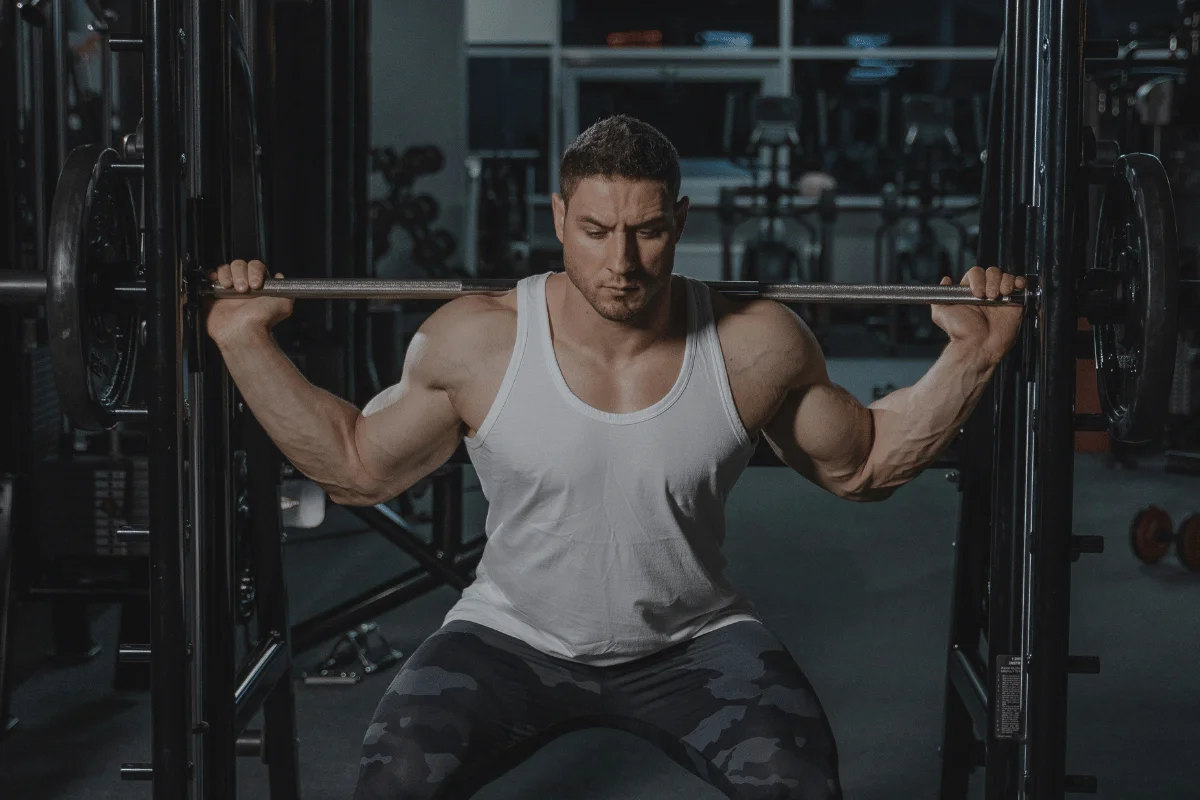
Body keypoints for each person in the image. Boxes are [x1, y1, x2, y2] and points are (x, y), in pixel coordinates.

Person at [206, 115, 1025, 800]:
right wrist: (243, 341)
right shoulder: (479, 342)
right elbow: (357, 467)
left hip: (695, 642)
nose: (621, 262)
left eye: (648, 229)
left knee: (802, 783)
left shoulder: (755, 343)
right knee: (391, 783)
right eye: (596, 231)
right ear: (558, 217)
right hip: (508, 639)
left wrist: (973, 357)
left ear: (683, 219)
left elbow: (864, 464)